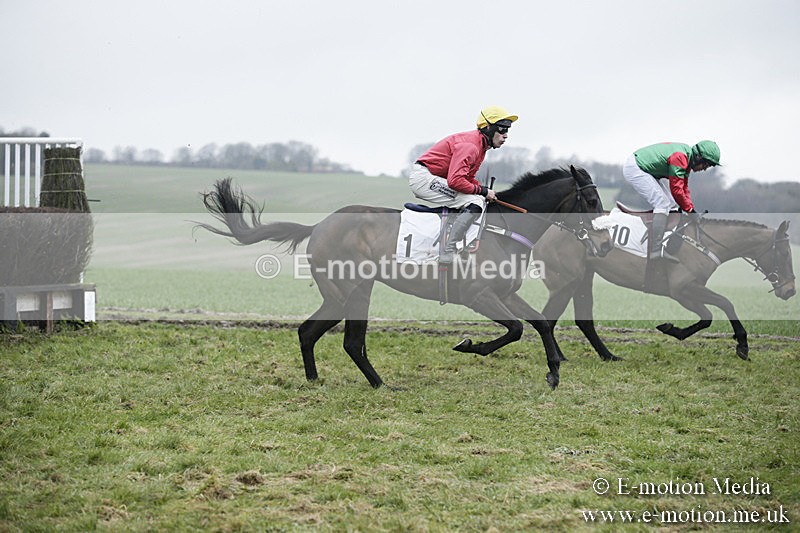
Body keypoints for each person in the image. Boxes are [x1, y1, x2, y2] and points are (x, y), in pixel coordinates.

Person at [409, 105, 518, 263]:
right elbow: (455, 181)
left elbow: (467, 178)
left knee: (478, 199)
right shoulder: (471, 146)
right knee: (475, 201)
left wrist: (484, 191)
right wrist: (482, 191)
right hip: (424, 179)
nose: (505, 135)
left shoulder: (480, 146)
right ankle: (448, 251)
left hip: (434, 177)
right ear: (487, 127)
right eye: (502, 129)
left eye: (508, 130)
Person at [623, 140, 721, 262]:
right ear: (698, 157)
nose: (705, 169)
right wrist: (690, 211)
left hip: (646, 169)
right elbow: (676, 190)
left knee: (673, 204)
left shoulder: (686, 158)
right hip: (636, 167)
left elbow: (684, 188)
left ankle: (666, 243)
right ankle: (655, 249)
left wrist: (690, 208)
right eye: (706, 164)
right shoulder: (680, 158)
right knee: (662, 204)